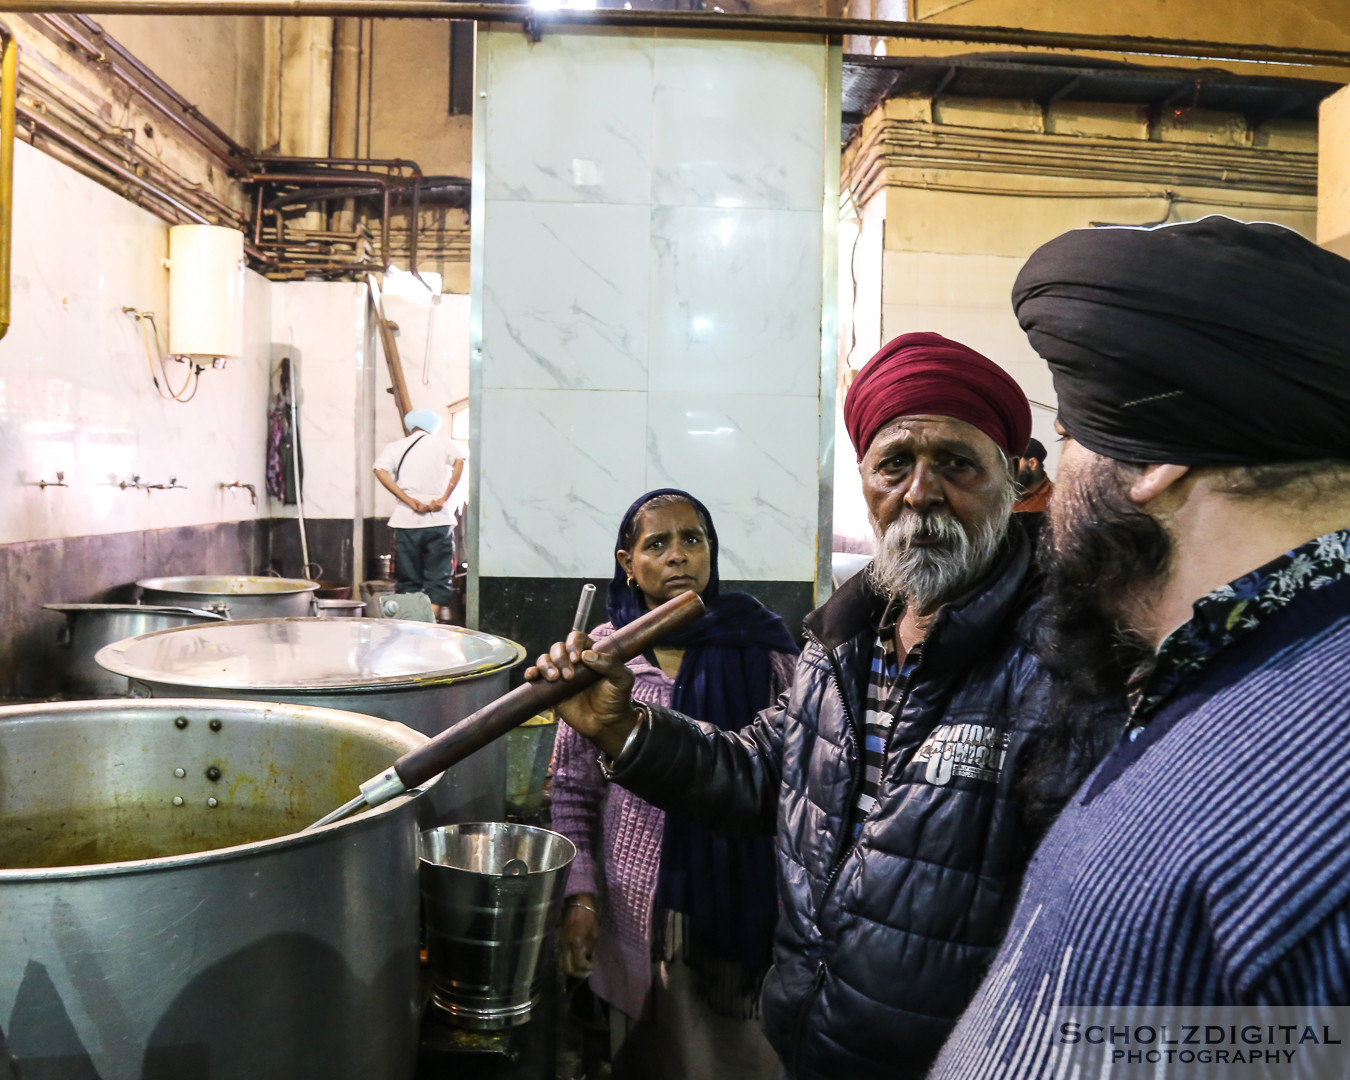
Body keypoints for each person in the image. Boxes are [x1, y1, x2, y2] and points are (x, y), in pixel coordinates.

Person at [529, 333, 1098, 1080]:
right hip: (817, 1036)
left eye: (956, 463)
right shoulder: (842, 643)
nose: (920, 492)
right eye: (895, 464)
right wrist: (621, 727)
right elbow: (761, 776)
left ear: (1013, 477)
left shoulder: (1065, 659)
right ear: (865, 480)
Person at [931, 217, 1350, 1078]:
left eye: (1076, 437)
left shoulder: (1325, 798)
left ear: (1153, 460)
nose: (1065, 473)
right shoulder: (1229, 672)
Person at [550, 489, 798, 1080]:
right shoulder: (604, 662)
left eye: (693, 539)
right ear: (626, 562)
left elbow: (795, 782)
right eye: (656, 544)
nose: (678, 555)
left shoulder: (763, 649)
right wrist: (581, 900)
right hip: (636, 915)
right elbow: (573, 793)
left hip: (743, 914)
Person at [373, 409, 464, 622]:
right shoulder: (443, 444)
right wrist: (443, 498)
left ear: (410, 426)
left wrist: (408, 499)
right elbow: (460, 461)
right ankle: (429, 625)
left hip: (406, 522)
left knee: (408, 581)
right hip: (438, 520)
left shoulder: (395, 447)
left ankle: (411, 630)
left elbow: (379, 470)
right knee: (439, 580)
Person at [1013, 436, 1054, 512]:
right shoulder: (999, 494)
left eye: (1015, 461)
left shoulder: (1055, 499)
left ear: (1032, 463)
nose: (1008, 468)